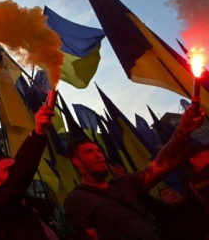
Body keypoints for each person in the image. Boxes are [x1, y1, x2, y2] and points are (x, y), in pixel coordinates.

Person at [64, 102, 204, 239]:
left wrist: (183, 129)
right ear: (76, 161)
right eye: (89, 152)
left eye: (99, 151)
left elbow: (162, 164)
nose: (99, 155)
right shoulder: (77, 199)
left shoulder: (126, 183)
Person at [0, 104, 58, 240]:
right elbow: (18, 177)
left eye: (16, 167)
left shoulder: (37, 208)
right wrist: (38, 134)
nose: (15, 172)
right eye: (8, 170)